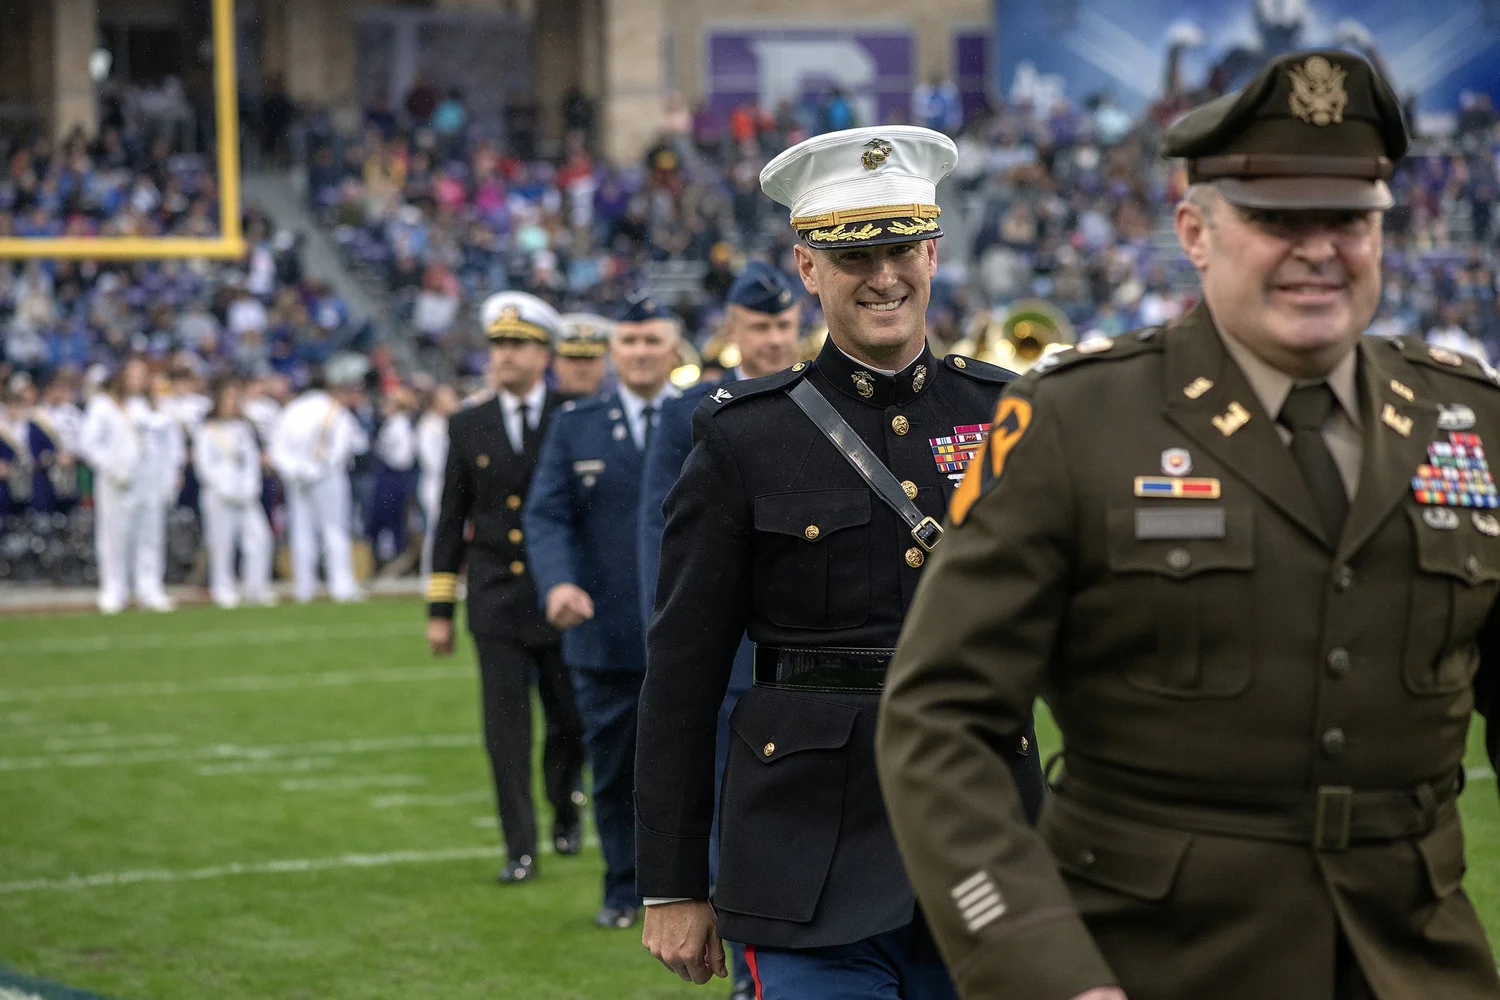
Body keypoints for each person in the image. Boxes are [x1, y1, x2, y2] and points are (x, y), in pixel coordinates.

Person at [876, 51, 1500, 1000]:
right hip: (1152, 965)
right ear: (1195, 234)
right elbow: (938, 723)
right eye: (1275, 219)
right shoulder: (1074, 422)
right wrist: (1041, 971)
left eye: (1348, 218)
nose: (1318, 248)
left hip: (1417, 965)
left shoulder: (1472, 420)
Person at [635, 125, 1045, 998]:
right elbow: (682, 672)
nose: (883, 276)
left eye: (900, 248)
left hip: (986, 837)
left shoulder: (1007, 414)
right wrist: (672, 882)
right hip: (802, 852)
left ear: (933, 253)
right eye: (853, 256)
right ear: (808, 267)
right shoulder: (743, 437)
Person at [635, 260, 804, 999]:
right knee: (727, 813)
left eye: (783, 325)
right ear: (732, 329)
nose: (773, 339)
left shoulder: (823, 398)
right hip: (728, 651)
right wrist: (671, 632)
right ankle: (746, 954)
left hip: (807, 659)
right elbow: (660, 533)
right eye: (760, 326)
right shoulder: (693, 412)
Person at [525, 292, 683, 929]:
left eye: (652, 341)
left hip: (693, 632)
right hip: (607, 636)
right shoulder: (575, 426)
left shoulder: (708, 417)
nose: (641, 353)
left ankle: (710, 888)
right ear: (613, 352)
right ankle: (624, 888)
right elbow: (547, 514)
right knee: (616, 771)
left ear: (674, 349)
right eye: (630, 342)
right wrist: (558, 583)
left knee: (708, 769)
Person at [426, 292, 587, 884]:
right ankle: (520, 848)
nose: (505, 356)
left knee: (571, 722)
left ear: (545, 353)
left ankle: (565, 798)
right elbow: (451, 518)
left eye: (517, 345)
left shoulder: (574, 415)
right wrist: (439, 608)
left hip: (561, 599)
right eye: (497, 345)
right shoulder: (467, 424)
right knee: (505, 733)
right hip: (495, 599)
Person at [78, 357, 183, 613]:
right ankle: (114, 590)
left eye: (142, 374)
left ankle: (150, 588)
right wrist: (112, 468)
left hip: (150, 481)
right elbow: (88, 444)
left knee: (151, 535)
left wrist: (170, 477)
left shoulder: (157, 407)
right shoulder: (104, 405)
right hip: (119, 483)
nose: (136, 380)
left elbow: (172, 445)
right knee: (115, 537)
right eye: (132, 374)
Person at [270, 365, 369, 604]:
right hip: (327, 477)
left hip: (298, 479)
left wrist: (295, 471)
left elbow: (277, 448)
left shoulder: (290, 410)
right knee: (334, 530)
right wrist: (318, 470)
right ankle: (341, 586)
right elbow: (351, 445)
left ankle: (304, 588)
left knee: (301, 532)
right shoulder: (334, 409)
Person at [195, 378, 275, 609]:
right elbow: (204, 466)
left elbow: (251, 462)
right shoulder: (208, 430)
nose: (232, 403)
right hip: (219, 496)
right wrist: (223, 487)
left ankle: (256, 588)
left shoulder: (244, 429)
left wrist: (251, 487)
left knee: (260, 539)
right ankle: (223, 588)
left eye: (236, 399)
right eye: (228, 398)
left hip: (246, 495)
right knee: (222, 544)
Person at [368, 383, 418, 567]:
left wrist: (383, 455)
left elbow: (402, 458)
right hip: (390, 476)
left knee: (393, 519)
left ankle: (395, 561)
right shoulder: (394, 423)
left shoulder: (400, 425)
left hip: (394, 478)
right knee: (385, 519)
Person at [416, 383, 459, 585]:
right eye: (448, 398)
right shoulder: (428, 425)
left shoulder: (445, 423)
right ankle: (429, 575)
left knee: (448, 530)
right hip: (435, 484)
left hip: (447, 482)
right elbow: (432, 460)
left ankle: (447, 574)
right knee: (436, 529)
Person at [553, 313, 613, 396]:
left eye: (590, 358)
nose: (582, 368)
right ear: (556, 363)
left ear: (604, 363)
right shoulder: (536, 406)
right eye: (572, 358)